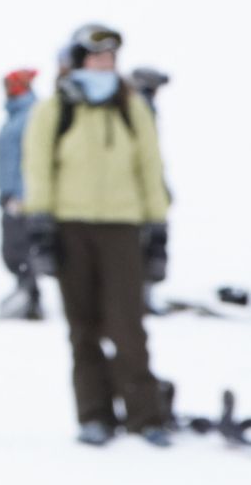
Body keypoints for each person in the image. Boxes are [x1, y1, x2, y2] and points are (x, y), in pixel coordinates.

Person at [24, 22, 172, 447]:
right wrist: (40, 226)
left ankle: (146, 416)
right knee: (83, 326)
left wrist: (157, 226)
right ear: (77, 61)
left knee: (128, 326)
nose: (105, 64)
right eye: (96, 57)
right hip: (70, 228)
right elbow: (39, 168)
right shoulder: (56, 108)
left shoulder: (131, 106)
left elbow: (150, 166)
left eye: (110, 58)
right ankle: (95, 415)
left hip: (123, 228)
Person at [0, 69, 45, 320]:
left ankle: (30, 297)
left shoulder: (32, 115)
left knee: (19, 248)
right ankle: (25, 291)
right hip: (8, 193)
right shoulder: (14, 115)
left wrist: (23, 193)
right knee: (12, 248)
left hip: (22, 195)